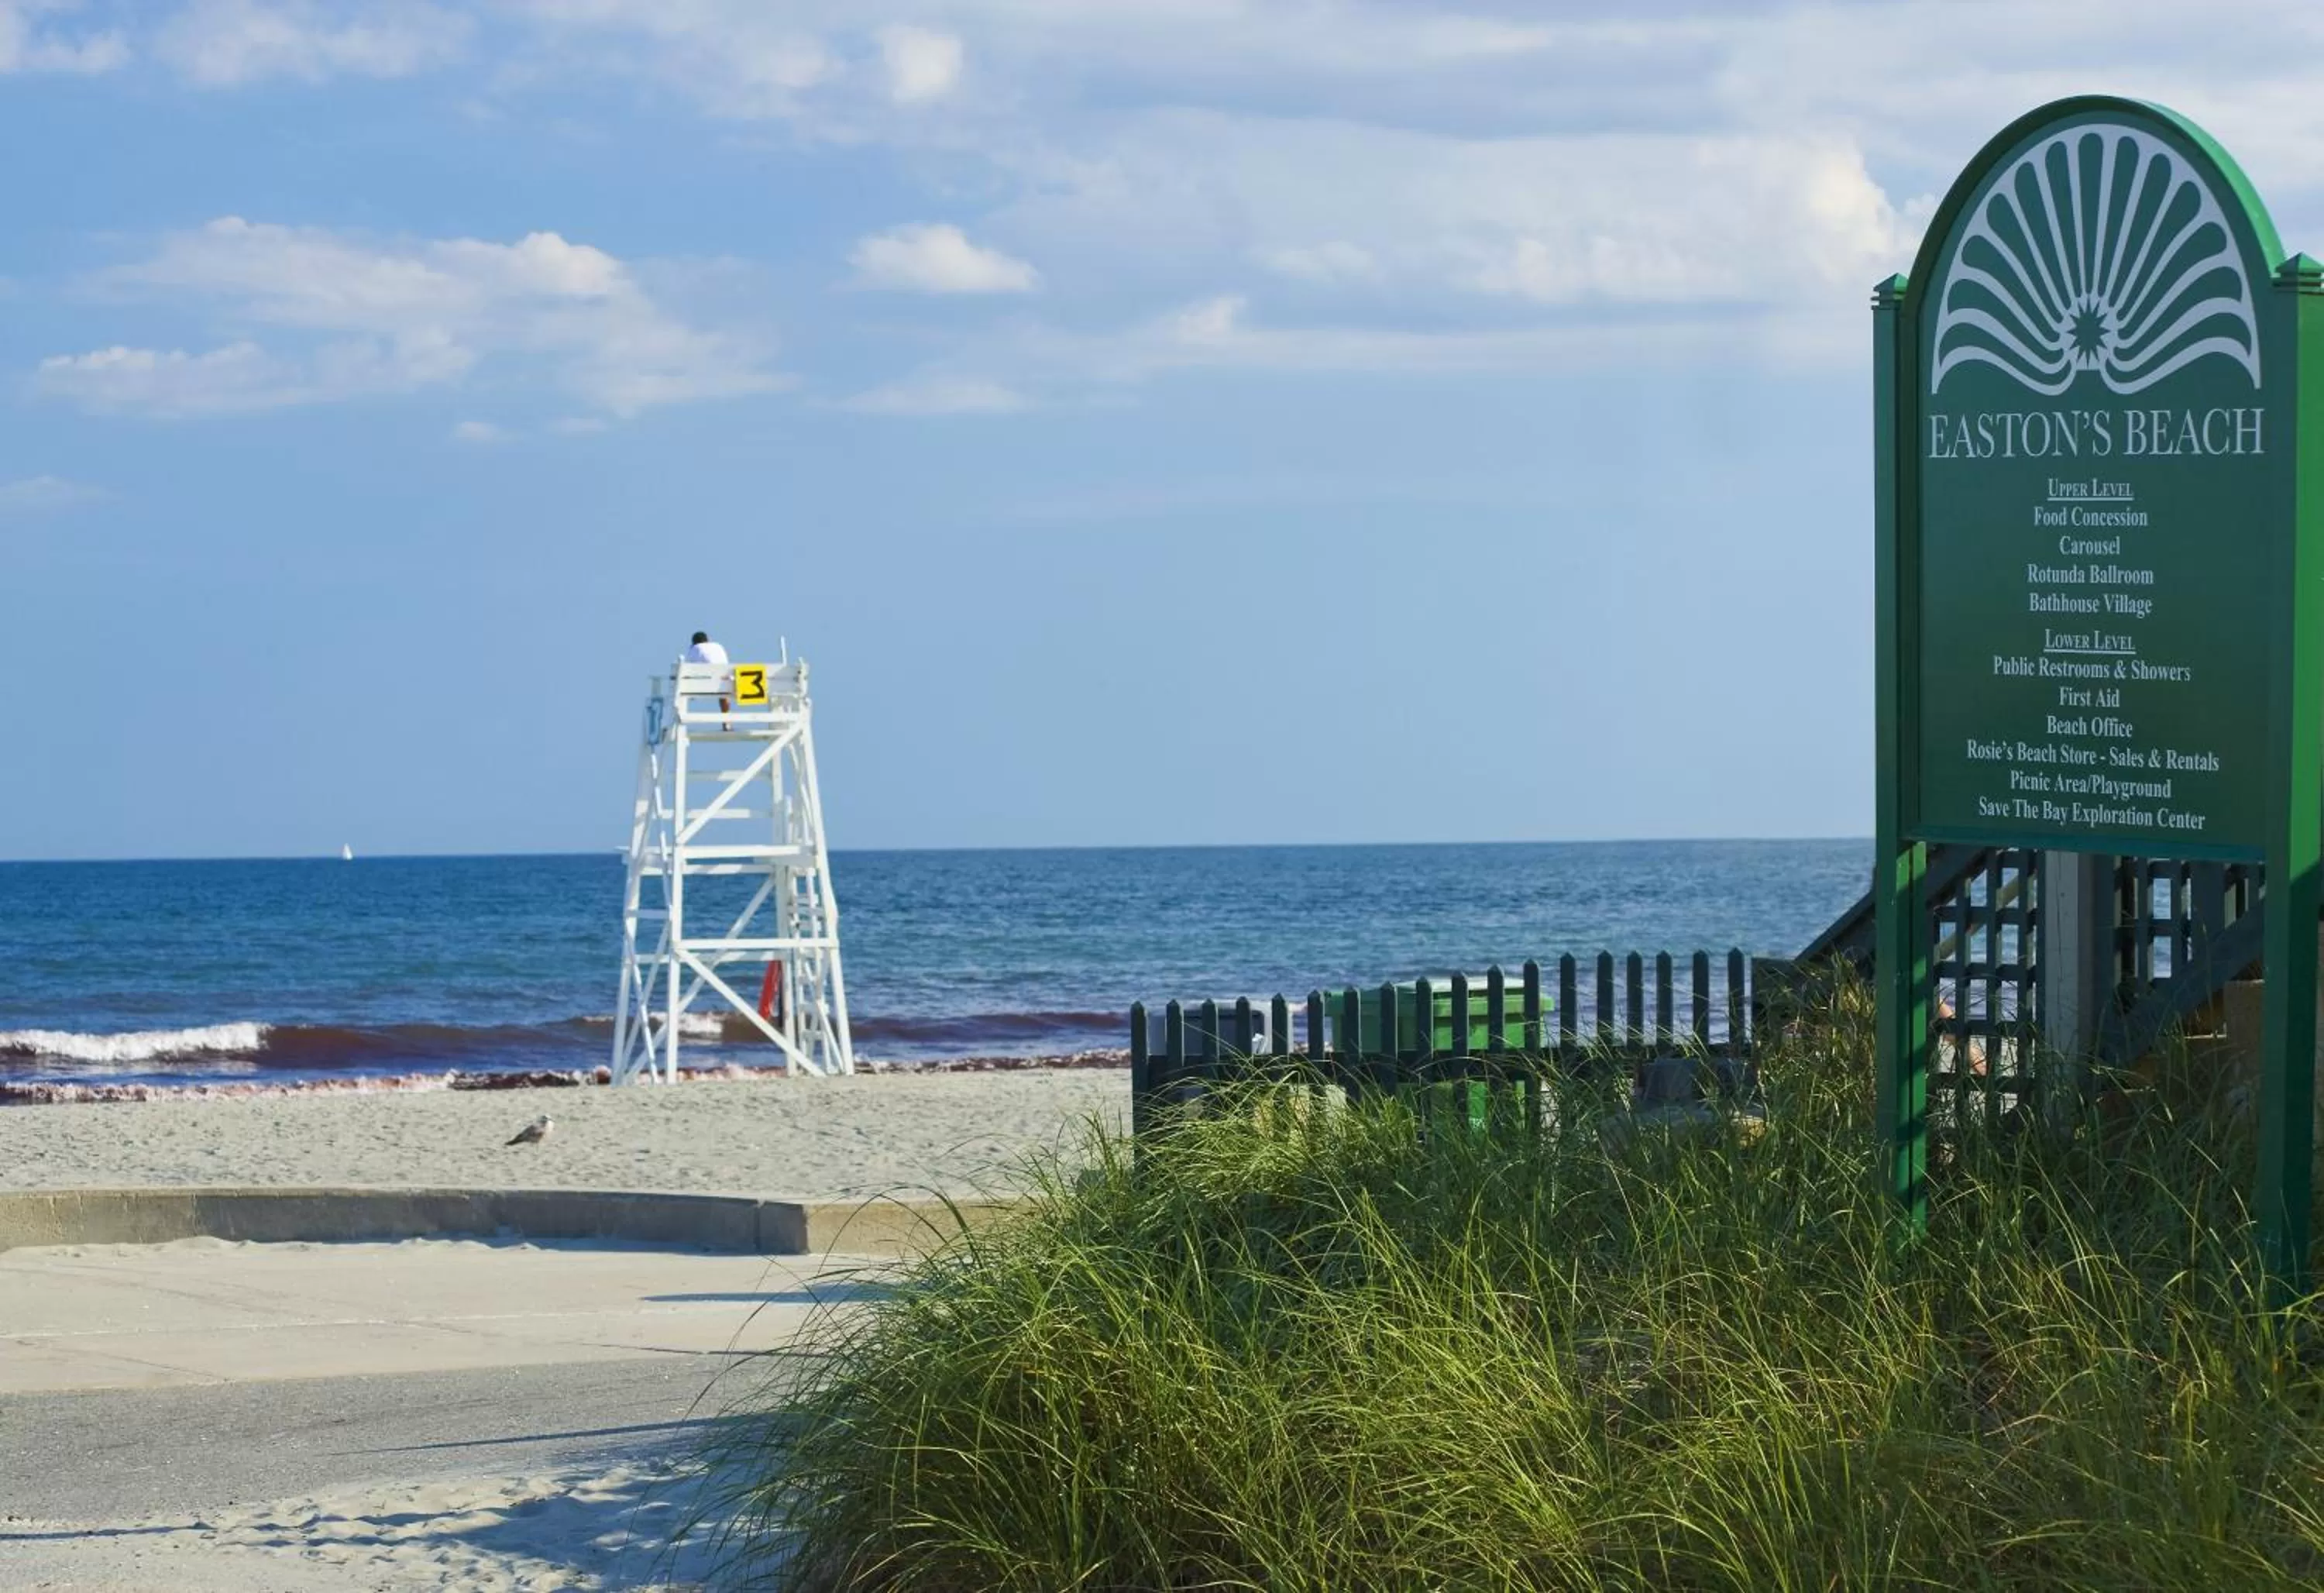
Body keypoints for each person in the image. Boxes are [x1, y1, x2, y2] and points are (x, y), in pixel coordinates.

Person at [683, 631, 731, 717]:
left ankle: (682, 717)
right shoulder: (718, 646)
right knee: (723, 694)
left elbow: (688, 668)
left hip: (706, 684)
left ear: (694, 643)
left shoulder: (695, 648)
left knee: (683, 686)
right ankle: (727, 722)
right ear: (708, 640)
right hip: (725, 681)